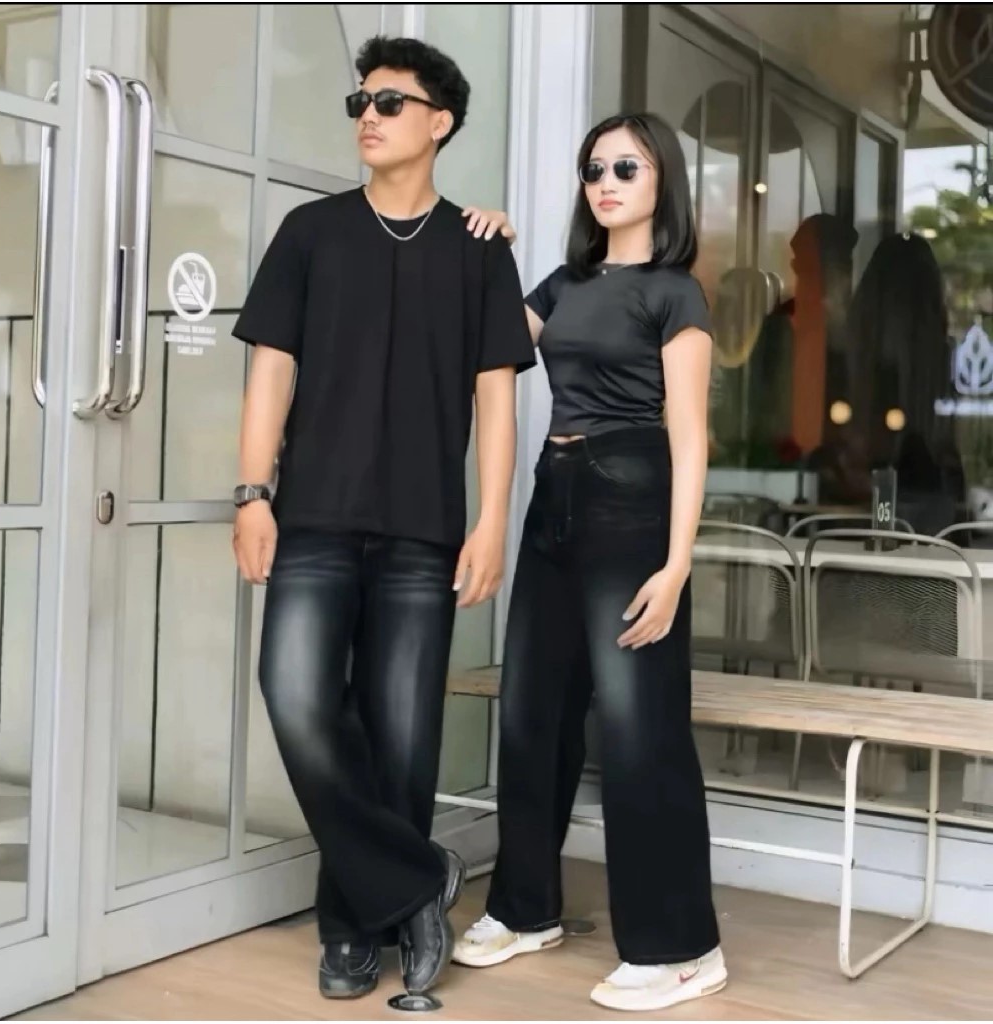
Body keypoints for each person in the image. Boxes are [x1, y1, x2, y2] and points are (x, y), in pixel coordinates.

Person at [230, 35, 535, 1001]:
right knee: (295, 697)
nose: (368, 114)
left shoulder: (480, 251)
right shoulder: (310, 232)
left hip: (423, 530)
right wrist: (252, 493)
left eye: (390, 102)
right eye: (359, 100)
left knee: (401, 740)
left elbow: (497, 398)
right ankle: (418, 881)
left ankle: (352, 932)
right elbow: (270, 371)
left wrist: (492, 520)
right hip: (313, 519)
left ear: (439, 122)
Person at [453, 112, 727, 1012]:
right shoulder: (564, 284)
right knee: (533, 712)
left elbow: (691, 436)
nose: (605, 183)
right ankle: (525, 908)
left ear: (661, 181)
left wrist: (677, 563)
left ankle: (682, 947)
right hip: (555, 498)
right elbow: (486, 345)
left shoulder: (674, 292)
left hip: (634, 498)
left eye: (625, 168)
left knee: (640, 726)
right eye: (593, 169)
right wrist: (489, 249)